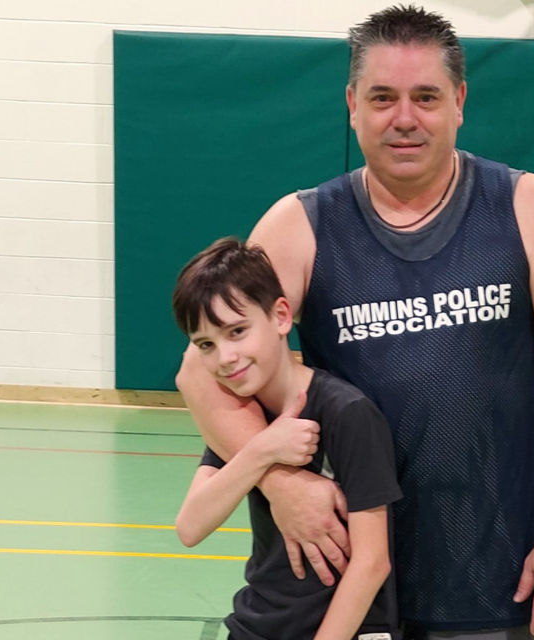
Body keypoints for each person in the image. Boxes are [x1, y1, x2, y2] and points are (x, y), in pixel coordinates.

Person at [176, 5, 534, 640]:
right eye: (382, 97)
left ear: (459, 101)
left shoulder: (528, 208)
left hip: (494, 569)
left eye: (426, 97)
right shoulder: (301, 224)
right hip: (344, 580)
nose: (403, 118)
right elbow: (202, 366)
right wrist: (278, 480)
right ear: (352, 103)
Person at [172, 238, 402, 640]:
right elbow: (190, 527)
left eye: (237, 331)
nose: (225, 357)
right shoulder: (245, 415)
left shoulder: (346, 412)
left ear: (280, 317)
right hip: (260, 623)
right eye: (206, 345)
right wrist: (260, 450)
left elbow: (372, 562)